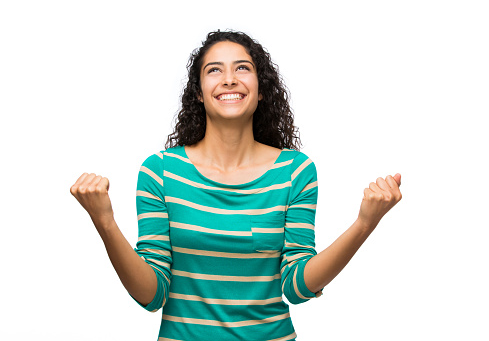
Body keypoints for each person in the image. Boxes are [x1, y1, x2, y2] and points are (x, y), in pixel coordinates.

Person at [70, 30, 402, 341]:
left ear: (259, 90)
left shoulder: (295, 171)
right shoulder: (160, 172)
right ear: (199, 93)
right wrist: (105, 223)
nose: (229, 78)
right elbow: (152, 294)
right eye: (214, 70)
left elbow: (297, 287)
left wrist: (364, 224)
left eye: (242, 68)